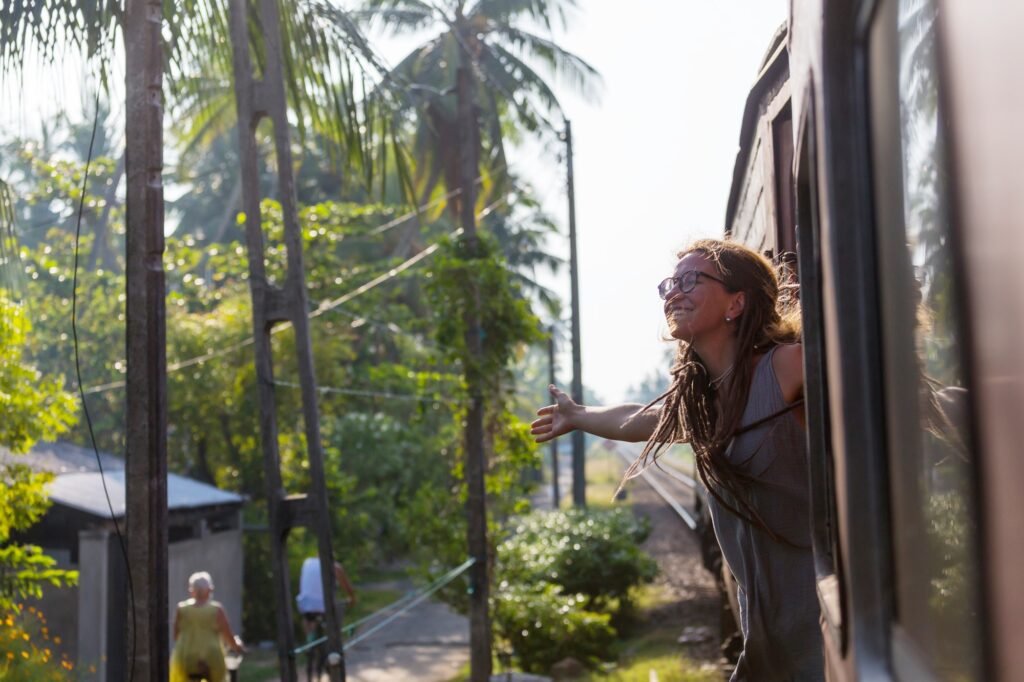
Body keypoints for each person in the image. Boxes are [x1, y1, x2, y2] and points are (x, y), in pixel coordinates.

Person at [531, 239, 823, 681]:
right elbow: (637, 418)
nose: (674, 292)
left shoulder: (787, 367)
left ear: (736, 302)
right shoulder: (705, 400)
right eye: (671, 283)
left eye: (691, 280)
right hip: (767, 631)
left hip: (823, 620)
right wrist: (579, 415)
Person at [170, 571, 244, 682]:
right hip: (211, 658)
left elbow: (176, 636)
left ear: (191, 591)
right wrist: (238, 646)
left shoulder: (181, 609)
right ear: (210, 590)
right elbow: (228, 638)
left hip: (185, 658)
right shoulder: (216, 610)